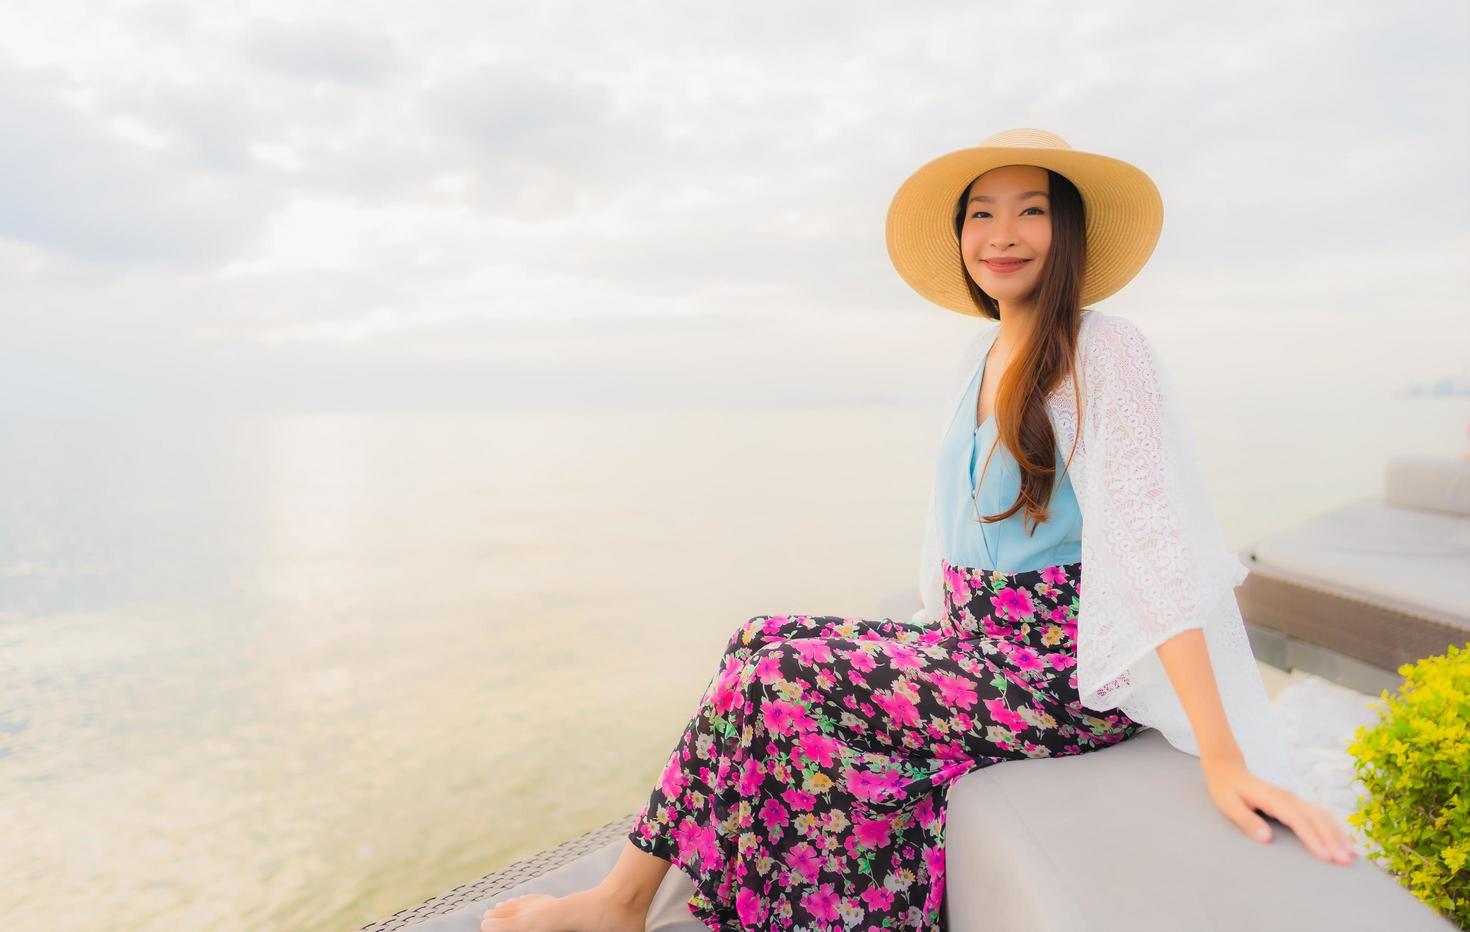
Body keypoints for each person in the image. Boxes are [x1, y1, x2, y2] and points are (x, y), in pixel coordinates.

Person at [481, 129, 1359, 932]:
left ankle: (619, 904)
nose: (1002, 235)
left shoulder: (1102, 350)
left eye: (1030, 212)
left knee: (781, 672)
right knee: (755, 640)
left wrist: (1223, 755)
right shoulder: (983, 358)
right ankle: (627, 900)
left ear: (1070, 234)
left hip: (1058, 675)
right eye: (981, 215)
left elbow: (1156, 548)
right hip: (978, 646)